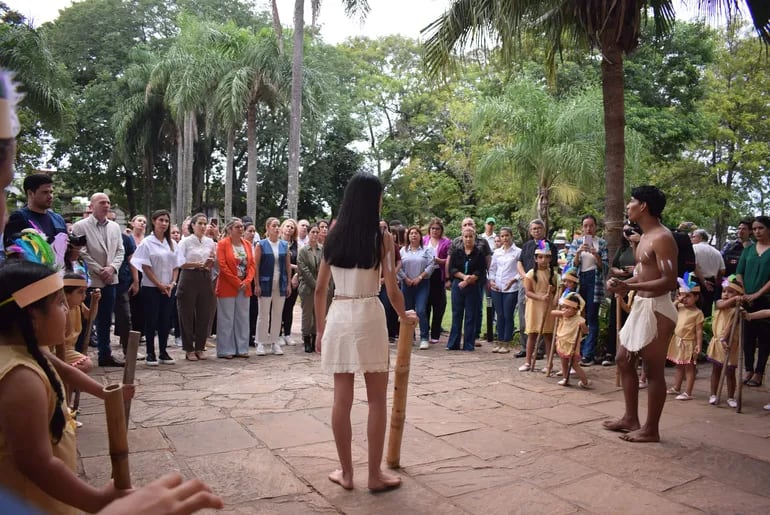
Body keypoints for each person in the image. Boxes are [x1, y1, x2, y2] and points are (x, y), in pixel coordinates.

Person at [0, 260, 134, 513]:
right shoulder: (21, 378)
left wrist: (104, 393)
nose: (66, 311)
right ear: (33, 316)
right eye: (60, 303)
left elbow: (65, 370)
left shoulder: (29, 351)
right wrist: (97, 500)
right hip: (32, 502)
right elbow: (37, 464)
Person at [313, 172, 417, 492]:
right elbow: (392, 285)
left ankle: (346, 473)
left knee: (341, 400)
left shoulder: (332, 238)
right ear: (373, 200)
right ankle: (374, 475)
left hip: (340, 315)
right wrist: (403, 313)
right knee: (376, 401)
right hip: (370, 313)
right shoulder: (381, 238)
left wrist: (319, 331)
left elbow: (319, 290)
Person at [605, 185, 678, 443]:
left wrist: (630, 286)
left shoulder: (662, 237)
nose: (628, 206)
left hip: (658, 308)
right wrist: (623, 281)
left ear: (644, 206)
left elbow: (670, 281)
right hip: (641, 306)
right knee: (624, 359)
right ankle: (630, 418)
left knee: (653, 369)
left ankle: (651, 429)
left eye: (632, 201)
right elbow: (644, 272)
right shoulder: (644, 236)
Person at [71, 193, 125, 367]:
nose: (107, 205)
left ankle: (105, 354)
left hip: (110, 280)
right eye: (102, 202)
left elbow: (120, 251)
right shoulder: (80, 226)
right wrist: (99, 269)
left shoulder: (115, 227)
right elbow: (81, 251)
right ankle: (79, 355)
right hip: (90, 281)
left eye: (109, 202)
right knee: (85, 319)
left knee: (106, 319)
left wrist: (112, 268)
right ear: (92, 206)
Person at [130, 210, 178, 366]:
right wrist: (159, 284)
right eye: (161, 220)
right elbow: (145, 266)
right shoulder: (147, 242)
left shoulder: (172, 243)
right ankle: (150, 352)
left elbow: (176, 265)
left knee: (165, 320)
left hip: (168, 287)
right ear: (154, 221)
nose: (164, 223)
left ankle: (163, 351)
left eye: (166, 221)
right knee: (151, 320)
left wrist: (172, 283)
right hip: (151, 287)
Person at [565, 215, 608, 366]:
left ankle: (587, 354)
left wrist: (595, 254)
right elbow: (571, 266)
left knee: (591, 317)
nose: (588, 229)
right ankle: (575, 350)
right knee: (576, 314)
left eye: (591, 225)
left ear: (596, 227)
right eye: (585, 226)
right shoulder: (576, 242)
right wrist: (578, 252)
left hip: (594, 282)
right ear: (582, 227)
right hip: (578, 281)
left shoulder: (601, 243)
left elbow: (605, 267)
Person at [736, 215, 770, 388]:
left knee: (764, 337)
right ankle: (748, 369)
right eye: (755, 229)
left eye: (761, 228)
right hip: (746, 298)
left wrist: (757, 294)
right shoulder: (748, 250)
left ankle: (759, 372)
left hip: (765, 300)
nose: (757, 231)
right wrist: (743, 291)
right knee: (747, 336)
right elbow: (739, 272)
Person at [516, 220, 558, 358]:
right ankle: (525, 347)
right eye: (533, 229)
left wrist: (541, 243)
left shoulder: (546, 245)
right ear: (530, 230)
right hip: (528, 281)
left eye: (539, 228)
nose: (536, 231)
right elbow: (519, 262)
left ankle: (539, 350)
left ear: (544, 229)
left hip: (542, 284)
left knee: (542, 320)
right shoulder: (527, 245)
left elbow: (548, 260)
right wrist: (524, 276)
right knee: (525, 316)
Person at [215, 218, 255, 359]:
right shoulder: (222, 244)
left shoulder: (248, 244)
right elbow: (222, 265)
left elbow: (251, 265)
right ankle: (226, 349)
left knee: (243, 317)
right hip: (228, 286)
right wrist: (237, 282)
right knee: (226, 318)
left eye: (241, 227)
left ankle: (242, 348)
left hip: (245, 287)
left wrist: (247, 281)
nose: (241, 229)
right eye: (237, 227)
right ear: (230, 229)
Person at [604, 222, 642, 366]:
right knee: (616, 318)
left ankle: (634, 353)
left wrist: (635, 269)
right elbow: (613, 266)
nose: (627, 234)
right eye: (625, 231)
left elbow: (644, 266)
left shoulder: (642, 246)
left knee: (633, 318)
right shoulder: (623, 248)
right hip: (621, 286)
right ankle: (611, 351)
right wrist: (620, 273)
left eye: (630, 231)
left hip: (637, 287)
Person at [254, 217, 292, 356]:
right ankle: (261, 342)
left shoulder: (284, 245)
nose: (277, 228)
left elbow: (288, 266)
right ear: (268, 228)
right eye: (274, 226)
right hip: (265, 282)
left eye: (278, 226)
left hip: (280, 282)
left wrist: (288, 283)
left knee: (277, 313)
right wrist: (256, 284)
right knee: (263, 314)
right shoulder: (261, 244)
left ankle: (275, 342)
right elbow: (256, 266)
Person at [665, 274, 704, 401]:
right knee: (679, 366)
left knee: (690, 368)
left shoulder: (697, 313)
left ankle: (688, 392)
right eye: (683, 295)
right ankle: (676, 387)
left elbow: (698, 331)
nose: (685, 299)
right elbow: (670, 308)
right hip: (678, 341)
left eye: (689, 296)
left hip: (689, 344)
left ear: (696, 297)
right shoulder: (680, 307)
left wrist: (699, 344)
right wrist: (678, 300)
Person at [707, 276, 743, 408]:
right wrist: (734, 298)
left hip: (730, 344)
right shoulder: (719, 304)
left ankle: (731, 396)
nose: (726, 294)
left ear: (739, 295)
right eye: (724, 291)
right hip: (717, 343)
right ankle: (713, 394)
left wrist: (739, 303)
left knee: (730, 372)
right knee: (716, 369)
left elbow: (731, 325)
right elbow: (721, 304)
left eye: (730, 292)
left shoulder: (737, 311)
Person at [4, 174, 67, 246]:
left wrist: (75, 248)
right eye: (45, 192)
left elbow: (68, 256)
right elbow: (12, 251)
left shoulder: (58, 219)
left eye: (51, 192)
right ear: (30, 193)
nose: (50, 196)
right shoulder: (18, 218)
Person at [398, 226, 435, 349]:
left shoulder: (426, 250)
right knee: (408, 311)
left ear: (420, 236)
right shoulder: (403, 250)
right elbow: (398, 266)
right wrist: (405, 278)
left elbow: (431, 265)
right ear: (408, 236)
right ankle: (410, 336)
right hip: (407, 284)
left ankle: (424, 337)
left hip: (422, 283)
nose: (413, 235)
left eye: (416, 233)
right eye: (411, 233)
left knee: (420, 310)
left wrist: (420, 277)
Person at [488, 226, 521, 353]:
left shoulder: (518, 252)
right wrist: (491, 281)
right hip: (497, 287)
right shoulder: (497, 252)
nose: (505, 238)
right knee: (499, 315)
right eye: (502, 236)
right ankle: (499, 340)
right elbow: (492, 269)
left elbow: (521, 270)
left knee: (508, 315)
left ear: (511, 236)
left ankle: (507, 342)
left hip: (511, 288)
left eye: (507, 235)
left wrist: (513, 280)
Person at [551, 292, 591, 388]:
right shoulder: (563, 315)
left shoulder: (579, 319)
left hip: (572, 345)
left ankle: (585, 381)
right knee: (563, 362)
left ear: (575, 310)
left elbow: (586, 331)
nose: (565, 310)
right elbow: (552, 312)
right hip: (562, 342)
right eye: (564, 307)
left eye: (568, 308)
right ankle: (565, 378)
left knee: (574, 364)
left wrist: (583, 326)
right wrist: (562, 312)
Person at [61, 273, 97, 374]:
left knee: (86, 364)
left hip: (70, 349)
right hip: (60, 350)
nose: (84, 296)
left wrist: (95, 302)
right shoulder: (61, 311)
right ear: (66, 294)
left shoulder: (78, 305)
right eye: (80, 292)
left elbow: (91, 317)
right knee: (86, 364)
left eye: (85, 292)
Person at [422, 218, 451, 344]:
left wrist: (440, 261)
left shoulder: (447, 242)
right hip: (426, 275)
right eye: (432, 228)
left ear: (441, 230)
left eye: (437, 229)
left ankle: (435, 332)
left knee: (439, 305)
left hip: (439, 275)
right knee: (425, 304)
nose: (434, 231)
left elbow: (450, 260)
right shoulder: (424, 240)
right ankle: (425, 331)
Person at [297, 224, 323, 353]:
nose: (315, 234)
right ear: (308, 233)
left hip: (321, 287)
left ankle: (315, 337)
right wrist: (315, 284)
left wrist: (322, 285)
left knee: (317, 313)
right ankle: (306, 338)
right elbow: (304, 269)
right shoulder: (303, 251)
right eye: (313, 232)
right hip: (307, 287)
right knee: (307, 314)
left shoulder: (322, 250)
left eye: (317, 232)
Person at [690, 229, 725, 317]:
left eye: (693, 236)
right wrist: (716, 283)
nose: (691, 238)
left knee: (692, 307)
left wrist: (703, 281)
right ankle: (705, 328)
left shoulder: (694, 248)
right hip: (712, 282)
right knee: (707, 309)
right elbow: (722, 270)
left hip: (694, 281)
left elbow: (693, 266)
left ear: (701, 237)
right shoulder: (716, 252)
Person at [279, 218, 300, 346]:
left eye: (292, 227)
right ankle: (277, 334)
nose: (289, 229)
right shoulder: (278, 243)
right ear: (282, 228)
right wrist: (292, 266)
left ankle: (287, 333)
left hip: (293, 280)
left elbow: (300, 263)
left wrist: (296, 274)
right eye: (287, 226)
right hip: (280, 278)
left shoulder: (296, 245)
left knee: (289, 307)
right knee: (278, 307)